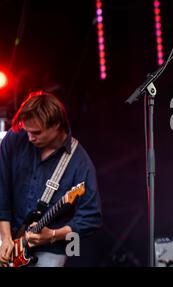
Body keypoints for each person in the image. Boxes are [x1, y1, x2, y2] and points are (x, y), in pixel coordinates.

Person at [0, 91, 102, 267]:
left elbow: (91, 217)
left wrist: (53, 234)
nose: (30, 138)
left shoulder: (80, 163)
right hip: (7, 236)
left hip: (49, 248)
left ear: (56, 125)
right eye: (27, 131)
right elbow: (1, 190)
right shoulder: (15, 139)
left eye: (37, 132)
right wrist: (6, 238)